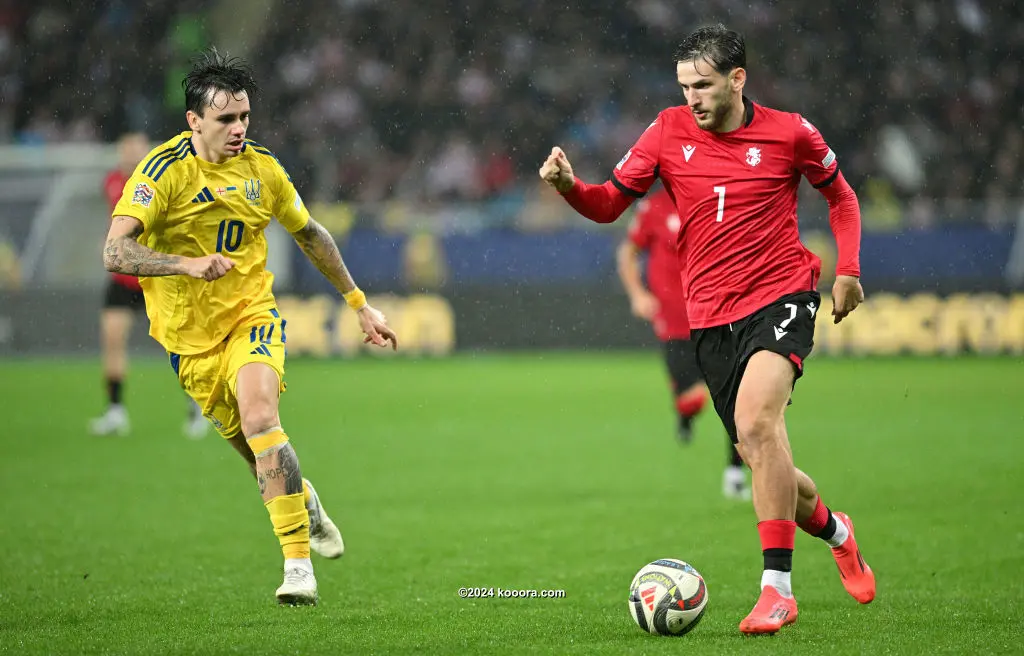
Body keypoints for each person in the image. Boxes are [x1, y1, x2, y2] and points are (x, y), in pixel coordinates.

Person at [540, 24, 874, 635]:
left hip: (782, 296)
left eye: (703, 84)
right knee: (761, 455)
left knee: (756, 423)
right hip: (710, 317)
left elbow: (843, 198)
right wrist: (569, 187)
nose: (691, 96)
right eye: (684, 85)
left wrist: (848, 271)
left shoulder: (790, 132)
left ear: (737, 79)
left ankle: (777, 590)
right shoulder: (666, 131)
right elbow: (610, 202)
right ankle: (837, 530)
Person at [103, 48, 398, 606]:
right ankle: (304, 500)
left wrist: (359, 304)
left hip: (251, 316)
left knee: (263, 415)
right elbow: (115, 250)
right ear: (194, 122)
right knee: (259, 454)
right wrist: (184, 264)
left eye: (244, 117)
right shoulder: (162, 173)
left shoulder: (263, 169)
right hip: (188, 343)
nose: (239, 129)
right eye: (225, 120)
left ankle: (297, 568)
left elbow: (310, 233)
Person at [617, 184, 749, 500]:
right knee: (692, 399)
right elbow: (628, 251)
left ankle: (734, 474)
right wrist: (637, 294)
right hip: (674, 322)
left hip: (717, 317)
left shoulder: (717, 201)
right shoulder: (654, 208)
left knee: (738, 401)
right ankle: (685, 416)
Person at [90, 132, 210, 440]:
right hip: (121, 278)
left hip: (153, 278)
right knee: (113, 340)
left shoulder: (161, 183)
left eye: (138, 149)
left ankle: (196, 407)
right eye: (127, 149)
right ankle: (115, 411)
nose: (132, 154)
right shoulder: (112, 182)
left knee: (178, 346)